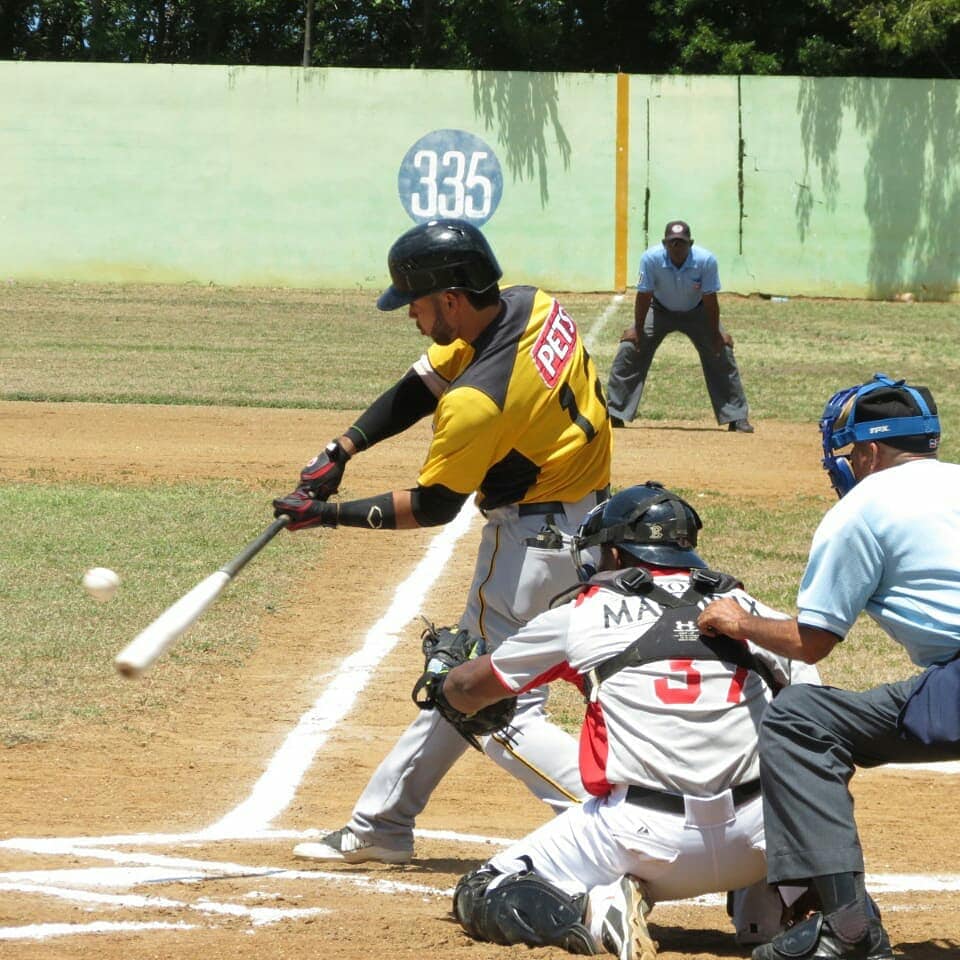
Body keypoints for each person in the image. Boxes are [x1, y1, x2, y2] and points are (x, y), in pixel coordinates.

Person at [273, 217, 612, 864]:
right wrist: (342, 448)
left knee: (485, 707)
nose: (411, 316)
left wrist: (328, 515)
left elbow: (432, 506)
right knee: (462, 685)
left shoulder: (479, 402)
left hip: (531, 552)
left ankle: (616, 822)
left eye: (416, 303)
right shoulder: (530, 306)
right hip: (589, 530)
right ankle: (381, 824)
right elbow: (422, 385)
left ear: (451, 298)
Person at [426, 482, 818, 959]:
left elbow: (469, 691)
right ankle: (778, 905)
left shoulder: (581, 616)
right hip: (760, 838)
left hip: (642, 839)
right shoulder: (749, 612)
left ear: (613, 551)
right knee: (788, 806)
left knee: (484, 889)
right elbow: (816, 717)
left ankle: (595, 910)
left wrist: (443, 681)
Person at [697, 373, 960, 960]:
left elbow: (810, 642)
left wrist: (736, 622)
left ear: (868, 452)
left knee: (801, 719)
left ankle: (847, 930)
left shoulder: (863, 508)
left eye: (846, 453)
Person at [605, 219, 753, 433]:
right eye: (672, 242)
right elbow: (644, 295)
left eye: (681, 243)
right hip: (659, 309)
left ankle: (737, 417)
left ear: (690, 243)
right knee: (630, 348)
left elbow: (710, 300)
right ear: (664, 243)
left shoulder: (706, 261)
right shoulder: (650, 259)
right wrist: (637, 329)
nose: (677, 247)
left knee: (721, 351)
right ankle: (615, 412)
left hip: (697, 310)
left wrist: (715, 335)